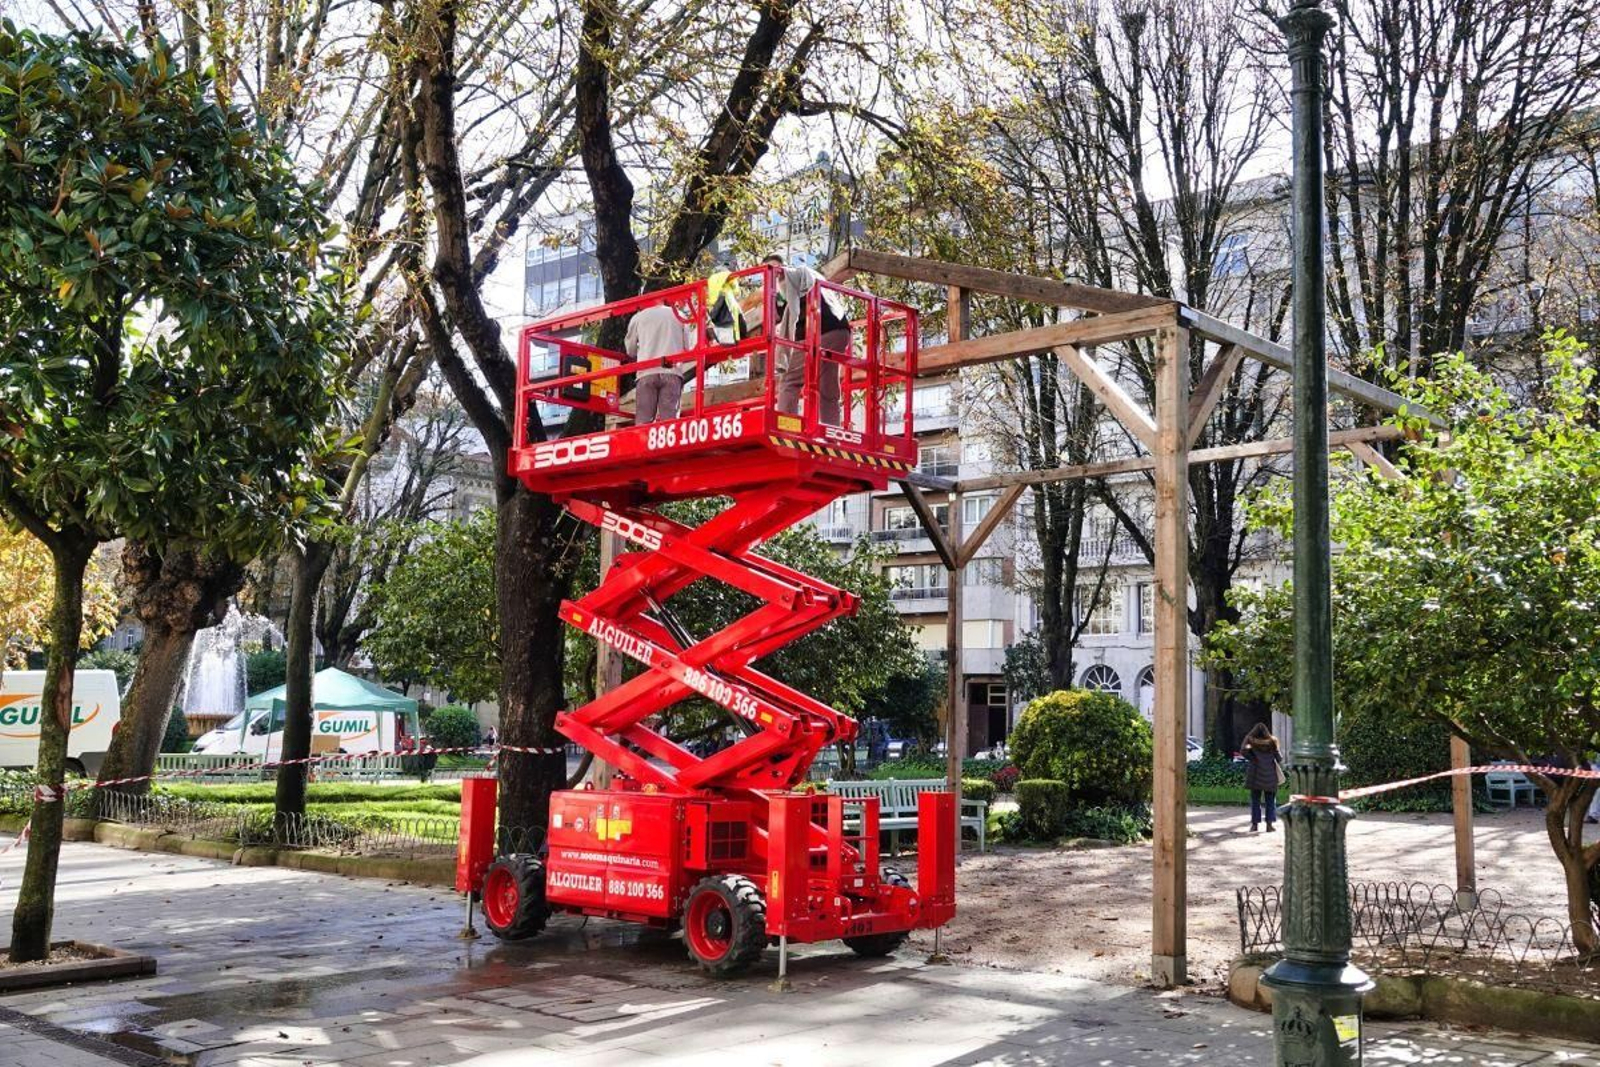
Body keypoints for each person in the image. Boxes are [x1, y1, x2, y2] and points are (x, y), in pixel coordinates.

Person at [765, 254, 850, 426]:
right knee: (826, 383)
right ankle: (830, 428)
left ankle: (786, 426)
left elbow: (786, 317)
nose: (773, 275)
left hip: (821, 333)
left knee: (789, 379)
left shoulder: (789, 282)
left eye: (774, 270)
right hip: (840, 331)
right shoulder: (806, 278)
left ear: (784, 267)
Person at [625, 300, 694, 424]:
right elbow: (689, 347)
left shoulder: (638, 318)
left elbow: (630, 351)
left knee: (643, 423)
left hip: (646, 373)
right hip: (672, 372)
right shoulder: (679, 316)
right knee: (669, 425)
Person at [1241, 722, 1285, 833]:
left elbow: (1243, 751)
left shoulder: (1250, 740)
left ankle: (1254, 825)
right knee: (1270, 800)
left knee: (1255, 800)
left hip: (1255, 773)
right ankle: (1269, 825)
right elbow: (1279, 758)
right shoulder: (1272, 741)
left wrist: (1253, 758)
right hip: (1270, 774)